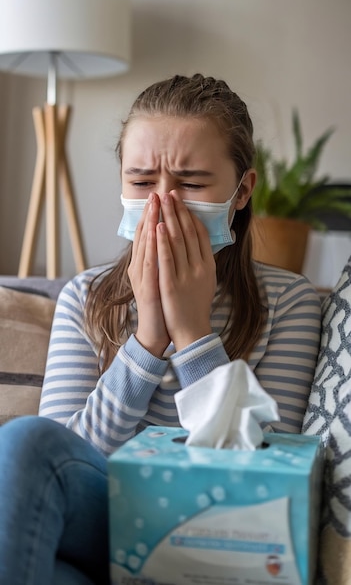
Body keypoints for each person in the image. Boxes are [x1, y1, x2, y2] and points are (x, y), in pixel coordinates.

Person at [0, 74, 321, 584]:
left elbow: (259, 479)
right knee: (24, 443)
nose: (163, 203)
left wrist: (192, 334)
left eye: (192, 184)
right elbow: (56, 465)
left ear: (242, 191)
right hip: (97, 521)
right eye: (142, 181)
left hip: (209, 531)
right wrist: (147, 339)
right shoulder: (85, 297)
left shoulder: (290, 302)